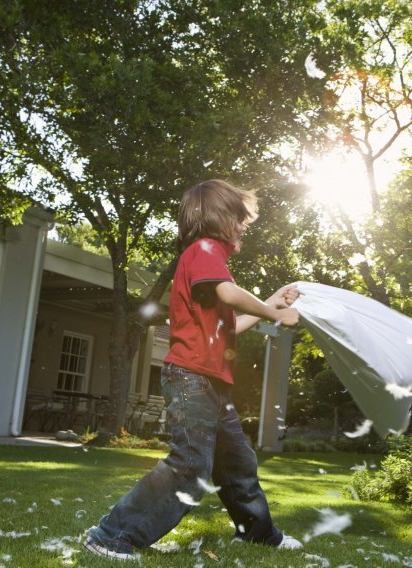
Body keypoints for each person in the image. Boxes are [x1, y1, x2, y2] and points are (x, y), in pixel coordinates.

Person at [83, 179, 303, 561]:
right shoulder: (204, 249)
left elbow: (231, 322)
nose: (244, 227)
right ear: (221, 218)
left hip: (212, 384)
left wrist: (270, 302)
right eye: (240, 219)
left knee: (237, 462)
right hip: (191, 380)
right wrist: (276, 313)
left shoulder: (210, 262)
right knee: (191, 465)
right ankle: (110, 535)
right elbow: (229, 294)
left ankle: (258, 534)